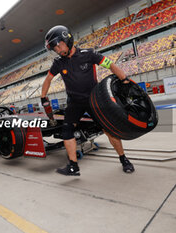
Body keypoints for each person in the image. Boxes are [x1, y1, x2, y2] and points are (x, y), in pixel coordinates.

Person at [41, 25, 134, 176]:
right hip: (74, 102)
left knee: (109, 130)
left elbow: (110, 64)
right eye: (54, 49)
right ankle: (73, 166)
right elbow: (48, 80)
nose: (57, 51)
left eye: (58, 46)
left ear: (67, 39)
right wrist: (43, 97)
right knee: (67, 131)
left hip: (94, 100)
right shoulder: (58, 63)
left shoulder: (89, 54)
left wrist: (124, 79)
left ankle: (124, 159)